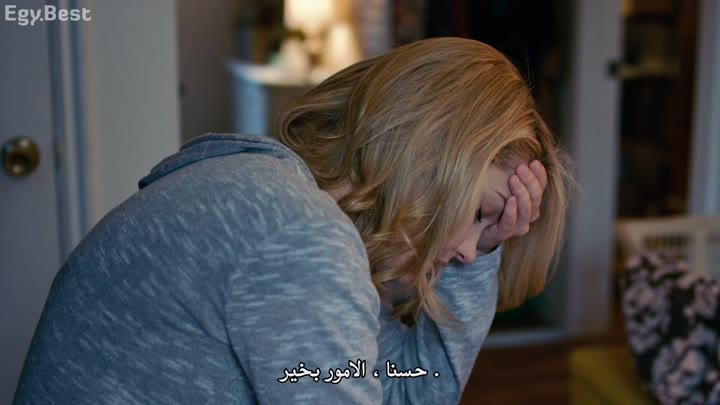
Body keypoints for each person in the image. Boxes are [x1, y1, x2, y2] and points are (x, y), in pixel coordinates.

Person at [15, 37, 572, 404]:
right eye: (479, 214)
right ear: (431, 155)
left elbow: (404, 390)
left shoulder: (279, 200)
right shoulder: (299, 241)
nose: (469, 251)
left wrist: (486, 251)